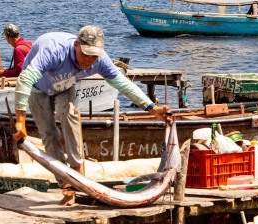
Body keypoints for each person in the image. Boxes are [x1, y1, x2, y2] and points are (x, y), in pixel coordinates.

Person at [13, 25, 171, 205]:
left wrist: (152, 108)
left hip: (65, 85)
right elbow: (25, 79)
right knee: (49, 135)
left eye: (94, 55)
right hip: (38, 88)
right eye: (85, 54)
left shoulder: (100, 60)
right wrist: (20, 121)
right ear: (76, 45)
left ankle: (78, 179)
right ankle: (66, 184)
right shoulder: (54, 51)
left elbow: (122, 84)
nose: (89, 60)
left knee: (69, 117)